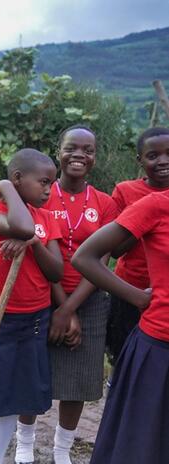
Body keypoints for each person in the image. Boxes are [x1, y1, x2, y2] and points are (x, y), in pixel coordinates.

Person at [10, 126, 117, 464]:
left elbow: (103, 259)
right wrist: (61, 307)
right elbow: (37, 249)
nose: (79, 155)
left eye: (88, 150)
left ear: (95, 157)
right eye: (72, 148)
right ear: (59, 151)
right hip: (41, 295)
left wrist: (71, 308)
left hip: (90, 298)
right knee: (33, 370)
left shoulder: (105, 203)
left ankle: (61, 450)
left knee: (80, 378)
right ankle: (24, 441)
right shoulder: (40, 193)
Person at [0, 149, 63, 464]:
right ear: (17, 179)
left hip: (34, 319)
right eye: (42, 182)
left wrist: (34, 243)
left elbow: (56, 272)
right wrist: (5, 187)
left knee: (16, 394)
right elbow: (21, 226)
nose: (49, 190)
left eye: (51, 183)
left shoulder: (47, 218)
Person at [72, 185, 169, 463]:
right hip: (159, 352)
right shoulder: (156, 205)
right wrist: (137, 297)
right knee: (141, 447)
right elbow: (85, 257)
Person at [106, 127, 169, 366]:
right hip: (130, 289)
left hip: (164, 295)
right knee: (125, 355)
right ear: (140, 160)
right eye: (153, 156)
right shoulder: (126, 191)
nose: (163, 161)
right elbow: (115, 250)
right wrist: (144, 218)